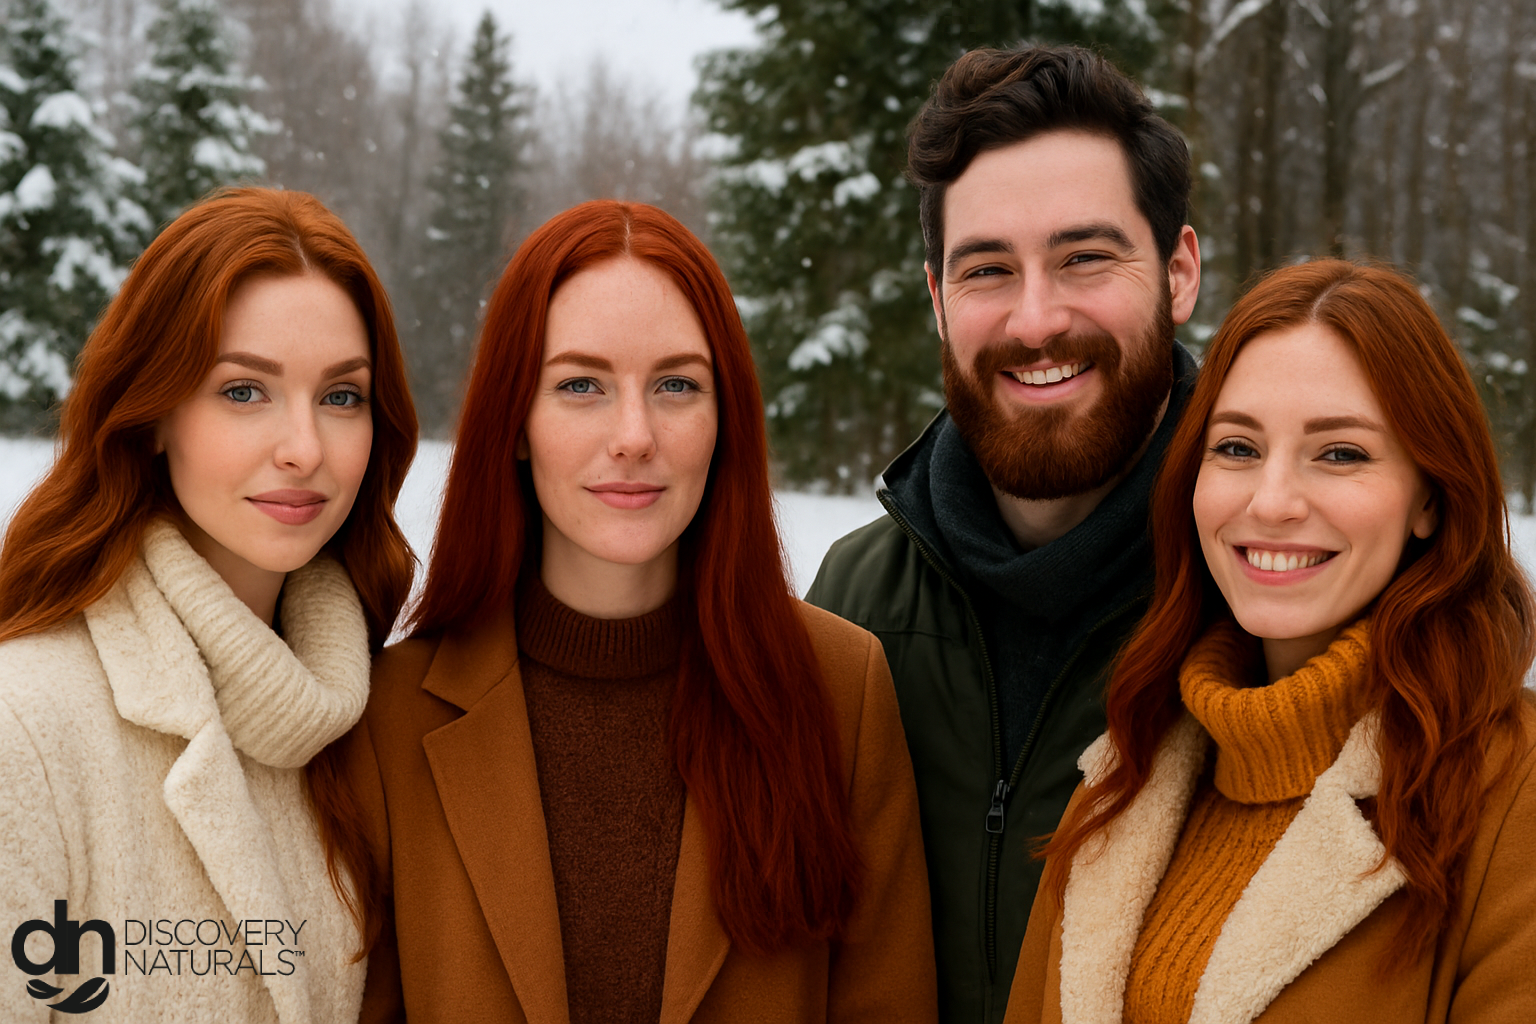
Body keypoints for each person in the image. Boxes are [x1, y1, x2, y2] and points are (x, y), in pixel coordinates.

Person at [321, 199, 936, 1024]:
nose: (635, 434)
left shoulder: (842, 690)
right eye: (581, 384)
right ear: (515, 423)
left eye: (677, 384)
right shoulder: (388, 716)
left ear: (726, 421)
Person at [1007, 259, 1536, 1023]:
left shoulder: (1511, 792)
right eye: (1237, 448)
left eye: (1341, 453)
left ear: (1430, 496)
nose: (1273, 501)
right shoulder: (1121, 777)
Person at [805, 44, 1201, 1022]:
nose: (1036, 319)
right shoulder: (853, 611)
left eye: (1085, 257)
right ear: (938, 301)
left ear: (1180, 271)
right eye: (988, 269)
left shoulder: (1264, 590)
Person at [0, 187, 417, 1023]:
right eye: (243, 391)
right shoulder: (26, 727)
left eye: (342, 396)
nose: (304, 449)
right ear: (153, 415)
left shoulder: (378, 720)